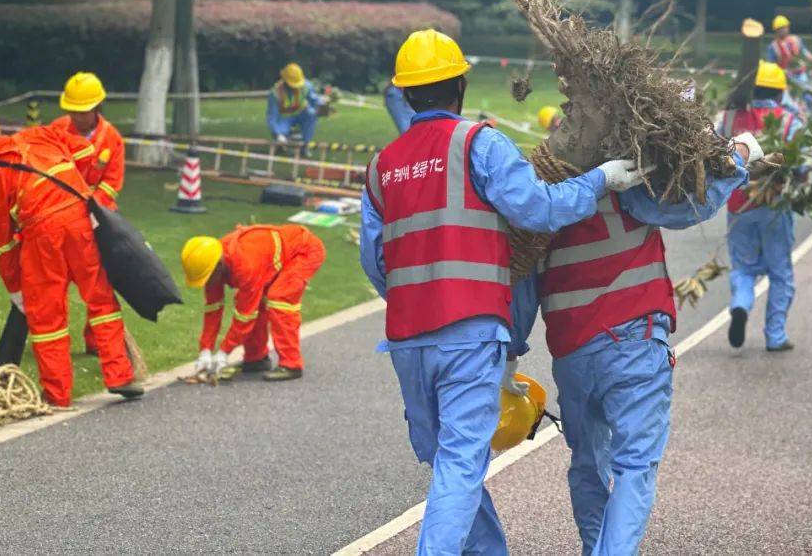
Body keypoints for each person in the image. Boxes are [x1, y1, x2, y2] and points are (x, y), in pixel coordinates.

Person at [359, 28, 647, 555]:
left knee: (445, 460)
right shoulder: (478, 143)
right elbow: (538, 210)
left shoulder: (382, 167)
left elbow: (375, 262)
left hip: (406, 339)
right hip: (469, 333)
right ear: (461, 87)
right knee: (461, 463)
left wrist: (415, 298)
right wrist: (600, 180)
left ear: (403, 94)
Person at [506, 118, 756, 554]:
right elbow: (692, 206)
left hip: (573, 358)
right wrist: (738, 158)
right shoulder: (628, 187)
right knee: (635, 466)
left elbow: (523, 297)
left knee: (588, 466)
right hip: (633, 344)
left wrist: (508, 359)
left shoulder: (541, 214)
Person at [0, 121, 139, 406]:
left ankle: (57, 394)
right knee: (101, 300)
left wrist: (15, 287)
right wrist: (72, 180)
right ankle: (120, 375)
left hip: (42, 235)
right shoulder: (40, 133)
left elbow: (5, 241)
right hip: (81, 220)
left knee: (47, 318)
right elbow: (85, 151)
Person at [719, 62, 802, 352]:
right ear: (780, 94)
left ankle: (740, 304)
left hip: (739, 204)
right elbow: (801, 162)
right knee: (780, 272)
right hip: (775, 205)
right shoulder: (789, 121)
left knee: (742, 267)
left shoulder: (731, 119)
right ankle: (776, 336)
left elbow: (717, 154)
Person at [182, 224, 326, 381]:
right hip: (272, 258)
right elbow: (212, 309)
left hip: (304, 251)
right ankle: (256, 359)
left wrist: (224, 352)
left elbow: (245, 316)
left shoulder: (244, 264)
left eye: (207, 279)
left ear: (219, 266)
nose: (208, 284)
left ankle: (291, 364)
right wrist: (205, 350)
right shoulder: (212, 263)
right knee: (253, 301)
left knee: (279, 298)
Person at [50, 72, 125, 355]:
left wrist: (91, 207)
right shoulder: (56, 130)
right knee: (54, 280)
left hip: (98, 219)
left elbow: (112, 182)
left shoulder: (112, 139)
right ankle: (53, 338)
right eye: (73, 111)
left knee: (99, 283)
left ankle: (96, 342)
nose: (78, 117)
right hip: (59, 214)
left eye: (83, 111)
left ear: (97, 107)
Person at [766, 14, 812, 111]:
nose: (783, 30)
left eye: (785, 27)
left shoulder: (796, 40)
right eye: (780, 28)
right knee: (787, 101)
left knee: (807, 95)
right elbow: (771, 66)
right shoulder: (773, 47)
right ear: (776, 30)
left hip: (800, 74)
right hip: (785, 77)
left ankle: (811, 113)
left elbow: (805, 53)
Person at [267, 63, 322, 148]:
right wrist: (277, 133)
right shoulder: (275, 93)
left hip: (302, 113)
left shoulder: (306, 86)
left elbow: (314, 100)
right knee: (281, 134)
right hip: (285, 118)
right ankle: (283, 140)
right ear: (285, 81)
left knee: (311, 115)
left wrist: (323, 104)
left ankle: (304, 146)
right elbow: (272, 116)